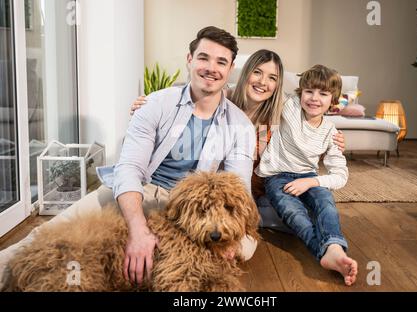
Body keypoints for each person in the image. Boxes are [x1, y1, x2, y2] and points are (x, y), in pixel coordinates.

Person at [0, 26, 257, 288]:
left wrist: (232, 238)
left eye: (221, 61)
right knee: (46, 233)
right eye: (204, 57)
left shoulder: (241, 126)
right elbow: (130, 167)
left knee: (246, 246)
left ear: (230, 68)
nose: (211, 68)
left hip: (191, 205)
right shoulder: (155, 104)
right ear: (190, 59)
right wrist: (137, 229)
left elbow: (239, 187)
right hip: (140, 188)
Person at [131, 50, 346, 230]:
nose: (263, 82)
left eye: (272, 78)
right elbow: (189, 94)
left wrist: (332, 138)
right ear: (246, 73)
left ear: (277, 85)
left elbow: (314, 106)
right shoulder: (223, 97)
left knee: (293, 214)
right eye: (257, 73)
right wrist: (149, 102)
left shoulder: (275, 114)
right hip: (205, 181)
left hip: (247, 186)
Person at [255, 64, 358, 286]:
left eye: (323, 94)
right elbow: (266, 89)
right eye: (309, 91)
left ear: (333, 101)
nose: (314, 98)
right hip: (277, 176)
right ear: (300, 93)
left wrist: (311, 181)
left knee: (326, 202)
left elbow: (340, 175)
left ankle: (334, 247)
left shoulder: (331, 132)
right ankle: (328, 252)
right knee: (294, 212)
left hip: (309, 177)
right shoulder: (289, 107)